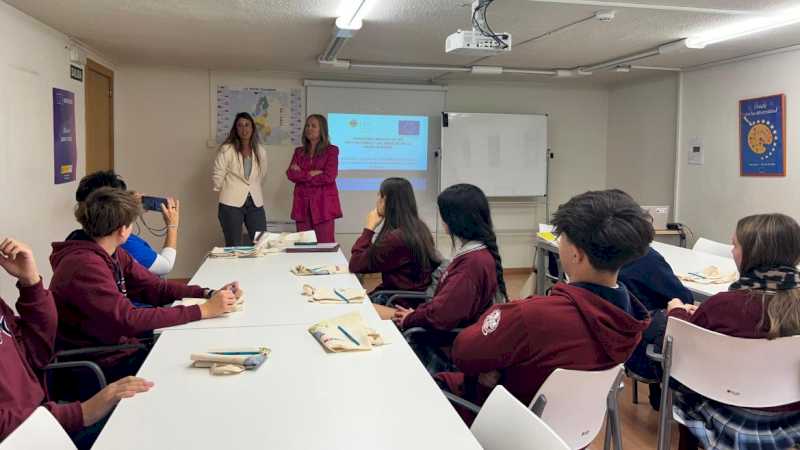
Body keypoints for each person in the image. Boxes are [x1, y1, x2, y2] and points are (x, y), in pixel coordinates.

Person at [437, 189, 652, 423]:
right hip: (566, 433)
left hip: (504, 425)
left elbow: (463, 353)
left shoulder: (532, 316)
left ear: (576, 254)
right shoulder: (630, 319)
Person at [50, 188, 241, 382]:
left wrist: (208, 294)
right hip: (100, 363)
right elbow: (129, 319)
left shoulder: (110, 252)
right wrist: (204, 310)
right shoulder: (85, 265)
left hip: (118, 348)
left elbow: (157, 288)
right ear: (123, 230)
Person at [664, 213, 800, 450]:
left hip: (728, 416)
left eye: (735, 244)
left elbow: (683, 341)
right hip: (792, 420)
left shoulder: (723, 306)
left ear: (750, 255)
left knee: (686, 386)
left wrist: (676, 311)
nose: (731, 251)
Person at [0, 237, 152, 449]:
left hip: (45, 421)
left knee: (148, 416)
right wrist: (82, 412)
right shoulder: (84, 261)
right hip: (28, 435)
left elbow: (38, 352)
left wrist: (31, 283)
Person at [348, 178, 440, 303]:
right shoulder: (419, 227)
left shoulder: (396, 238)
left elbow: (356, 265)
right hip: (407, 298)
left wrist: (369, 228)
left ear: (385, 200)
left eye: (379, 196)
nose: (377, 201)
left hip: (399, 303)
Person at [76, 170, 180, 277]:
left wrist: (127, 208)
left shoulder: (76, 237)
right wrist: (172, 225)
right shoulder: (123, 243)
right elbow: (165, 266)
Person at [213, 112, 268, 246]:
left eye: (247, 125)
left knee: (261, 243)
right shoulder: (227, 149)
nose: (244, 129)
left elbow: (262, 174)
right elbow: (218, 173)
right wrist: (224, 191)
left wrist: (252, 187)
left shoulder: (260, 150)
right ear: (236, 129)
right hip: (231, 204)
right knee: (234, 245)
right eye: (240, 126)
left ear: (253, 128)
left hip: (255, 203)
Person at [286, 114, 342, 243]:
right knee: (304, 248)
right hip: (302, 207)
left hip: (324, 207)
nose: (309, 128)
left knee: (325, 247)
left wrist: (302, 174)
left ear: (321, 129)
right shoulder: (299, 151)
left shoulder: (331, 151)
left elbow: (329, 176)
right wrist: (312, 174)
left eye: (313, 126)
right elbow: (290, 174)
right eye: (307, 125)